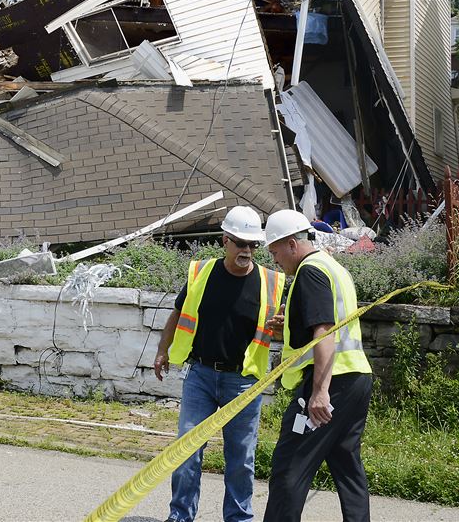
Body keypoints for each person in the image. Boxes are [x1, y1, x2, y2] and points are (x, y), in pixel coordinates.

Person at [153, 206, 287, 522]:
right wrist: (163, 351)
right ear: (225, 240)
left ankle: (239, 519)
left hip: (243, 382)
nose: (247, 250)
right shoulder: (200, 273)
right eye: (241, 243)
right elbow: (177, 314)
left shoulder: (272, 282)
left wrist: (281, 327)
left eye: (253, 245)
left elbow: (281, 330)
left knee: (241, 458)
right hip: (200, 375)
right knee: (186, 451)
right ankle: (181, 515)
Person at [262, 209, 372, 522]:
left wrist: (319, 392)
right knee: (346, 465)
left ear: (292, 245)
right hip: (355, 379)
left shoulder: (310, 271)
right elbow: (327, 321)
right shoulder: (334, 267)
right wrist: (290, 323)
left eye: (275, 251)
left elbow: (324, 330)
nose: (275, 260)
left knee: (290, 464)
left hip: (331, 382)